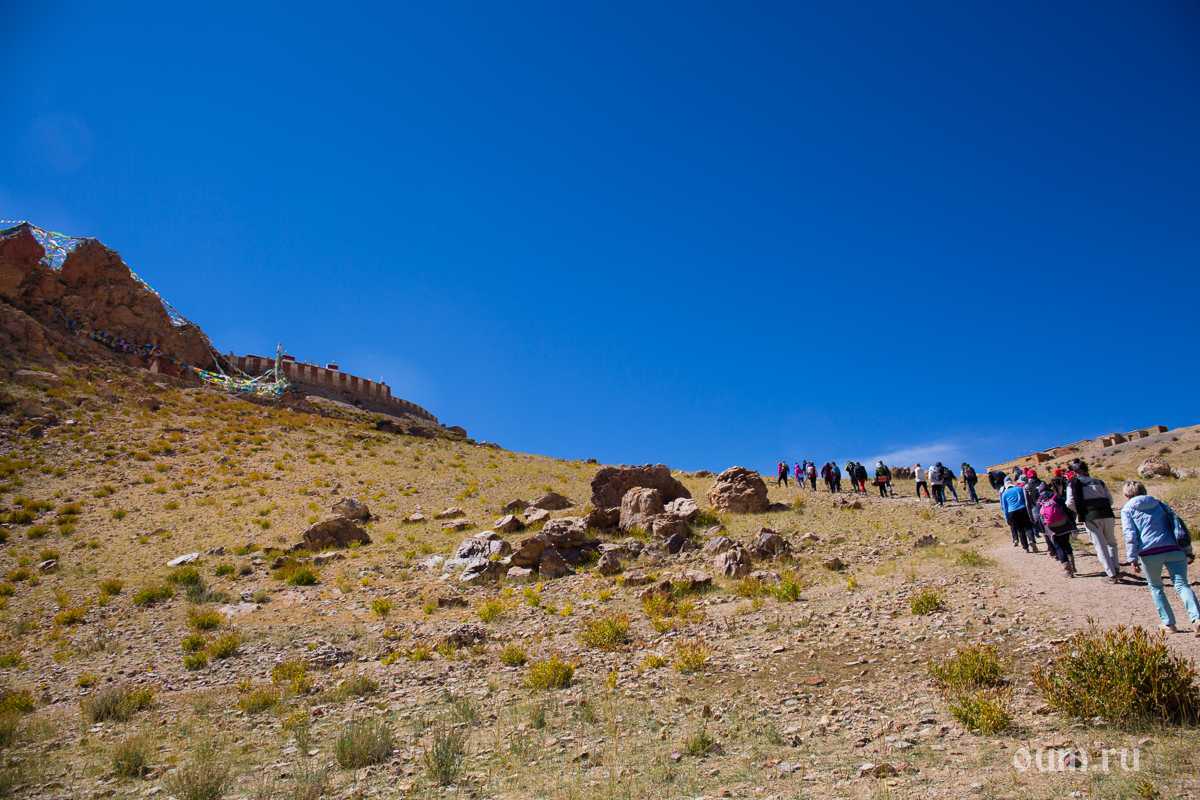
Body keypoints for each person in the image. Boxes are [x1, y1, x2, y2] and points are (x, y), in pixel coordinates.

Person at [1121, 480, 1199, 635]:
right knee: (1182, 585)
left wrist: (1133, 558)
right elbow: (1177, 525)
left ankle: (1169, 624)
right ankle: (1197, 618)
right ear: (1144, 491)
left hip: (1150, 553)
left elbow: (1130, 535)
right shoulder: (1160, 504)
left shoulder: (1127, 509)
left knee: (1156, 587)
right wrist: (1186, 549)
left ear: (1127, 495)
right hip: (1174, 548)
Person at [1066, 462, 1121, 583]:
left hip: (1090, 516)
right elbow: (1110, 500)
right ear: (1087, 471)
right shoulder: (1099, 482)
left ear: (1075, 473)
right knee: (1111, 542)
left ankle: (1111, 575)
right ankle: (1116, 568)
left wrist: (1081, 511)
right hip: (1107, 514)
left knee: (1100, 546)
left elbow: (1069, 503)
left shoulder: (1073, 484)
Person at [1035, 483, 1076, 577]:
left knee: (1059, 547)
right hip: (1064, 524)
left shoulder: (1039, 501)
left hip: (1051, 527)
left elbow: (1039, 518)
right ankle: (1073, 566)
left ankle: (1068, 571)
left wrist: (1043, 531)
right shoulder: (1057, 497)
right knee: (1067, 544)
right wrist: (1072, 524)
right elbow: (1067, 511)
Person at [1001, 478, 1038, 552]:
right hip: (1022, 508)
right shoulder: (1019, 489)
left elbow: (1005, 507)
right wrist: (1030, 512)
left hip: (1012, 512)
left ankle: (1025, 547)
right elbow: (1026, 499)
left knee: (1020, 529)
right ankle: (1031, 540)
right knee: (1028, 526)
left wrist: (1007, 519)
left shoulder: (1004, 493)